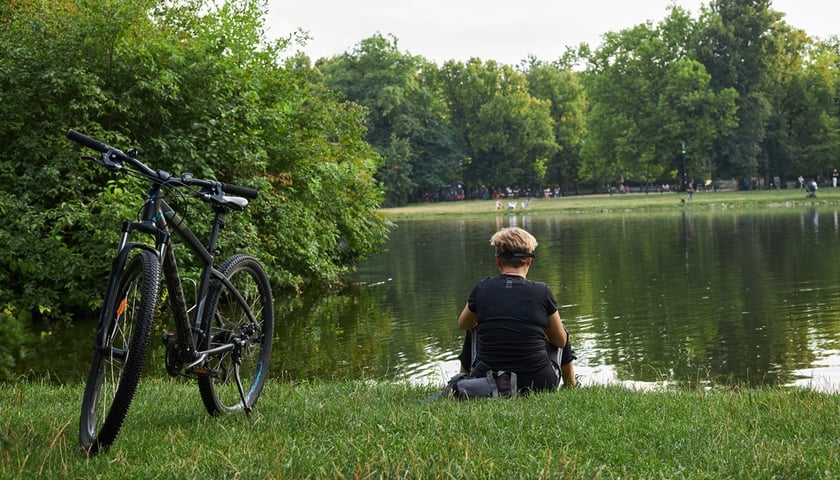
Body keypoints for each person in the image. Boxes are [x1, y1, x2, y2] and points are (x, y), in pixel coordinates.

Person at [456, 227, 577, 393]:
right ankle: (571, 385)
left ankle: (466, 383)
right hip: (539, 383)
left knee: (473, 327)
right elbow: (560, 342)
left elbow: (463, 324)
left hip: (488, 380)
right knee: (561, 331)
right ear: (528, 262)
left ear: (498, 260)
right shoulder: (542, 292)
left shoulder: (482, 288)